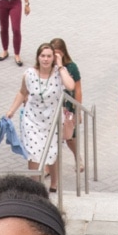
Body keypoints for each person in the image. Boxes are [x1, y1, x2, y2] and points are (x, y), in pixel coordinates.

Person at [5, 43, 76, 194]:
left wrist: (60, 65)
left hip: (52, 121)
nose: (45, 59)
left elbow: (70, 86)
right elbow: (22, 93)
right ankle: (34, 188)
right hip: (32, 120)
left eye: (49, 56)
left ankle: (55, 182)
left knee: (52, 152)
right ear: (38, 57)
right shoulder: (29, 74)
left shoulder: (59, 73)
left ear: (53, 57)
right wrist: (11, 110)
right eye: (42, 56)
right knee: (33, 153)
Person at [50, 38, 83, 171]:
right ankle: (48, 166)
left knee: (70, 136)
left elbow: (78, 89)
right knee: (51, 136)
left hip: (68, 106)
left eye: (58, 53)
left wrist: (78, 111)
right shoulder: (48, 66)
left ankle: (77, 157)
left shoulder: (71, 67)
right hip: (53, 105)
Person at [0, 0, 30, 67]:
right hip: (2, 3)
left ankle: (17, 54)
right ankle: (5, 50)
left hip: (15, 3)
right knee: (3, 28)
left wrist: (27, 4)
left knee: (16, 29)